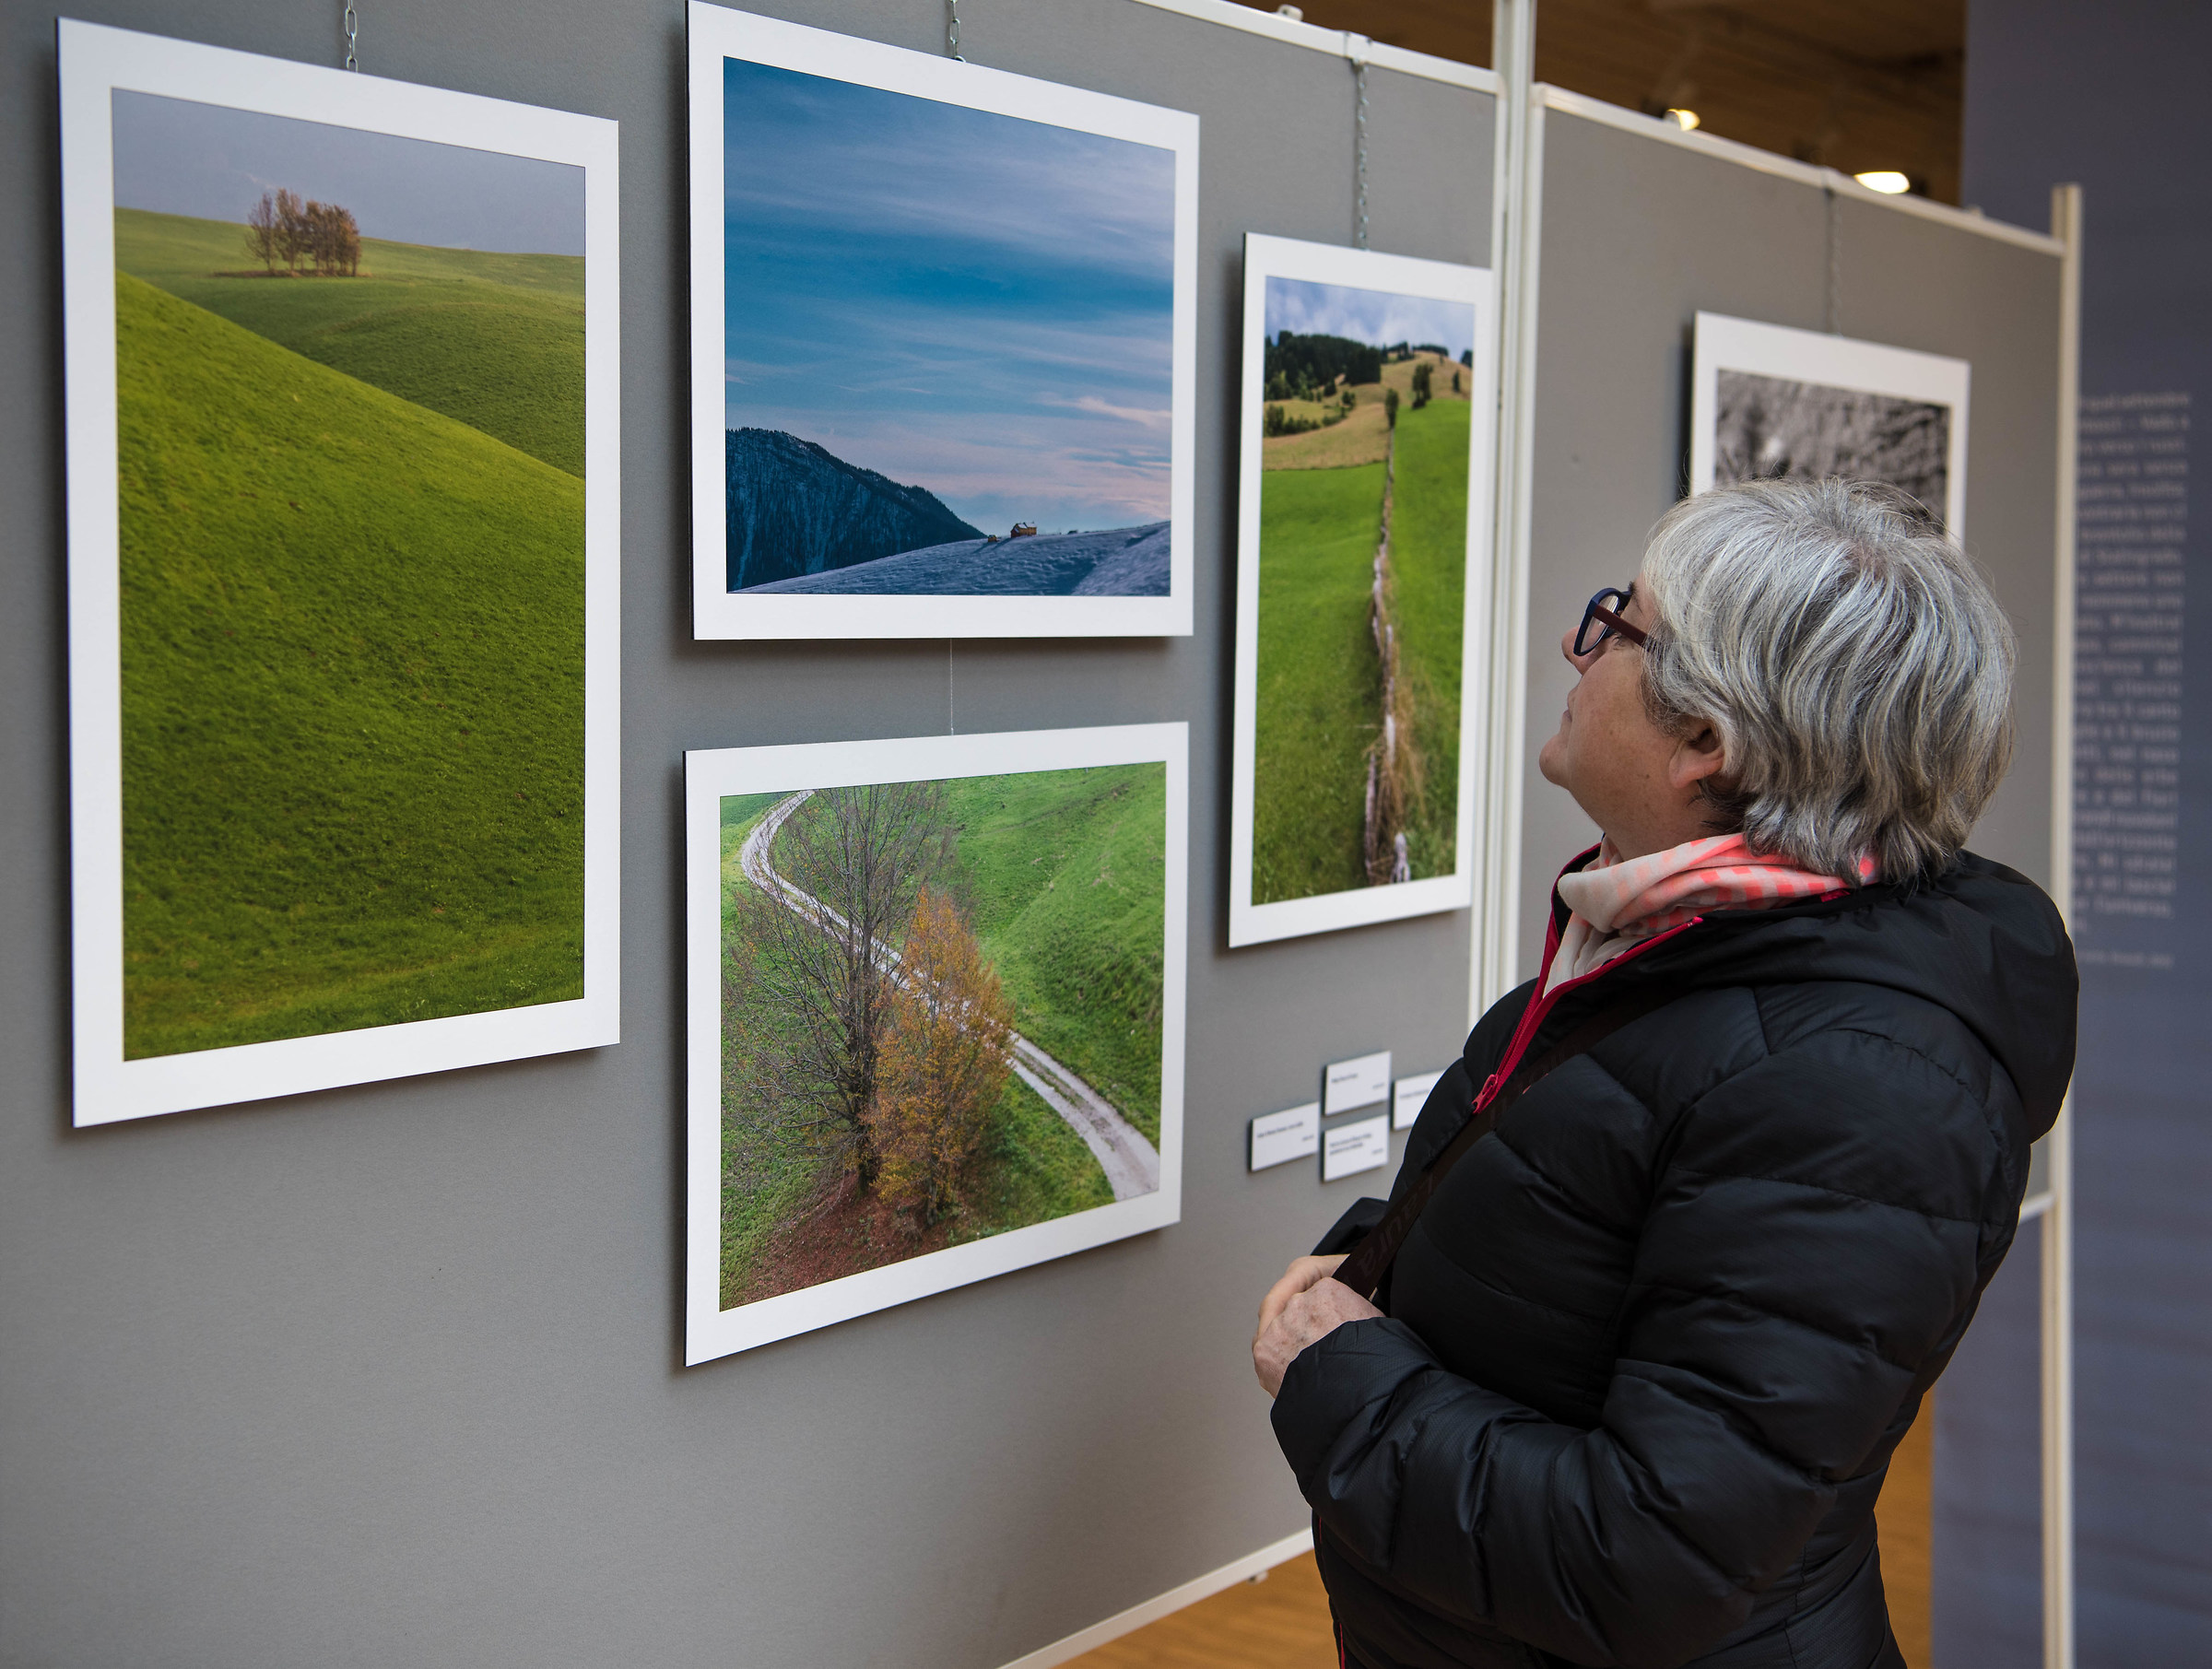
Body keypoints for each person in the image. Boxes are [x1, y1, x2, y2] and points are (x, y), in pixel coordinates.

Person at [1252, 478, 2077, 1669]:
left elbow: (1653, 1559)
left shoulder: (1855, 1086)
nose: (1573, 651)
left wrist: (1335, 1375)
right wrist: (1375, 1263)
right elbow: (1590, 1207)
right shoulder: (1674, 944)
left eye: (1614, 626)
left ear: (1707, 741)